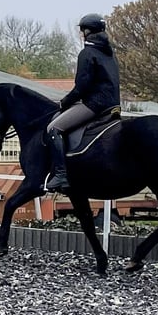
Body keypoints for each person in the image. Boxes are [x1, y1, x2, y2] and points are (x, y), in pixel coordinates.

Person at [44, 13, 121, 191]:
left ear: (87, 32)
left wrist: (64, 102)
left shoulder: (87, 53)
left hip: (95, 105)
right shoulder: (109, 53)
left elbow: (81, 87)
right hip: (113, 105)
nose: (81, 34)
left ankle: (61, 175)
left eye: (81, 31)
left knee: (53, 129)